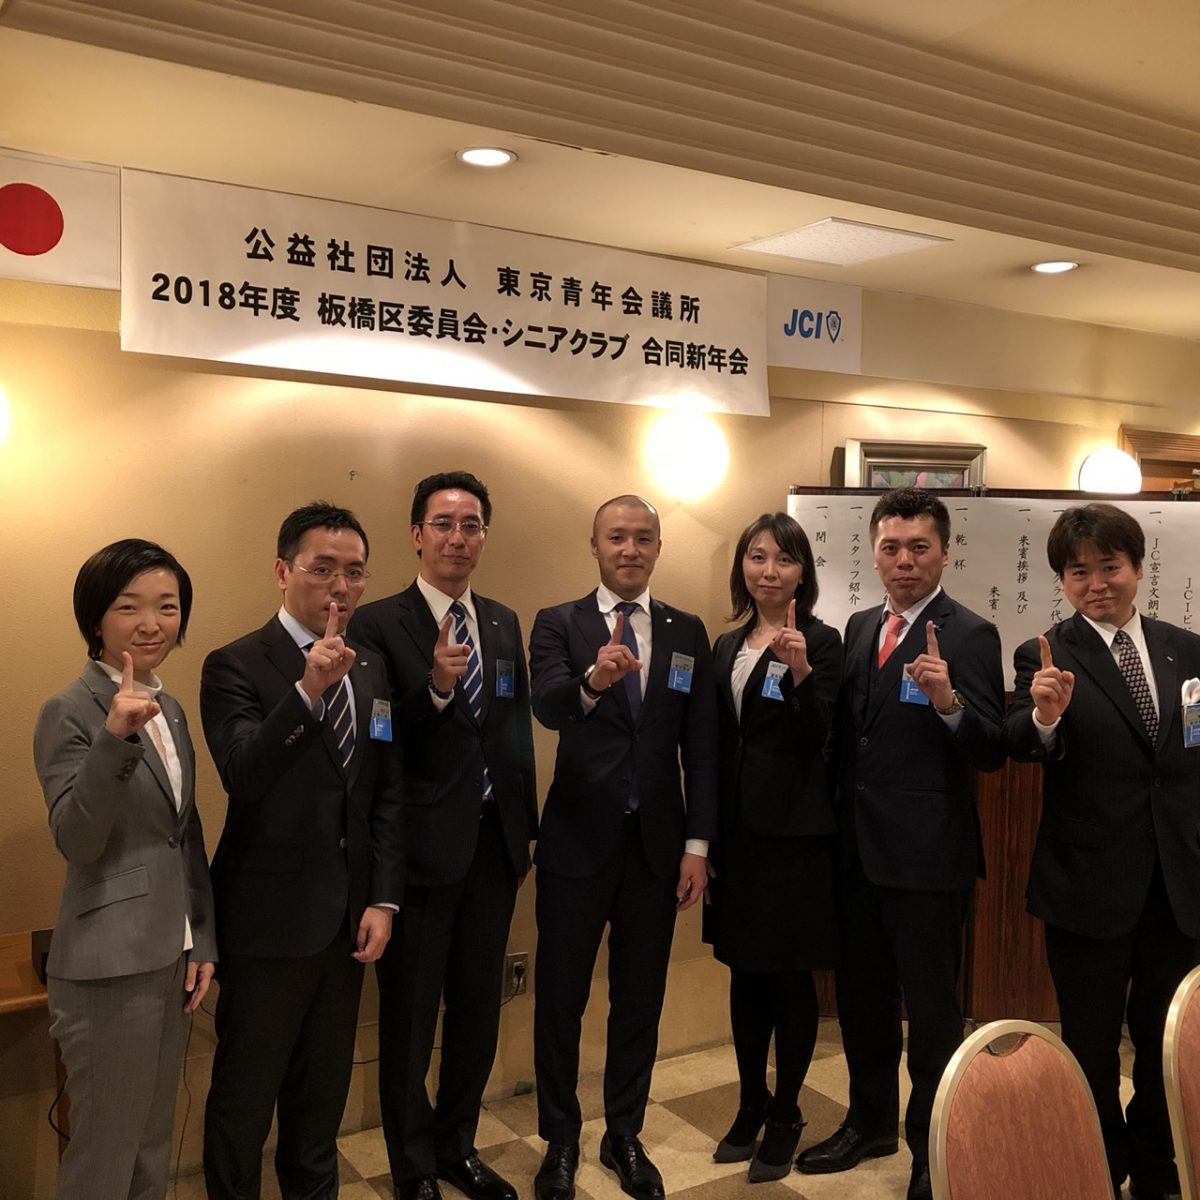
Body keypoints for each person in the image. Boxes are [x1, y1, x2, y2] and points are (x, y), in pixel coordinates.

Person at [796, 487, 1005, 1200]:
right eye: (892, 547)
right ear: (875, 554)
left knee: (933, 1011)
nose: (905, 560)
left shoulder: (970, 634)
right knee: (863, 1001)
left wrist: (949, 703)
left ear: (944, 552)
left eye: (919, 547)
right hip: (857, 853)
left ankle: (930, 1146)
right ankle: (869, 1123)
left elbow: (990, 751)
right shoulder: (859, 626)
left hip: (927, 858)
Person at [200, 501, 404, 1200]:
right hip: (266, 923)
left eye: (355, 572)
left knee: (320, 1106)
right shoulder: (235, 663)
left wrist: (382, 897)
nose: (340, 587)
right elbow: (243, 774)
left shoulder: (371, 668)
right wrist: (308, 690)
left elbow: (383, 791)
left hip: (347, 924)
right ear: (283, 572)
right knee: (244, 1102)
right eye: (322, 569)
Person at [1004, 502, 1200, 1200]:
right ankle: (1097, 1165)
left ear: (1137, 568)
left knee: (1164, 1039)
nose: (1096, 584)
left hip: (1178, 885)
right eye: (1078, 572)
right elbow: (1020, 742)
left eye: (1108, 567)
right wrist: (1043, 717)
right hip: (1087, 885)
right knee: (1089, 1044)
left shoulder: (1187, 650)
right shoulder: (1046, 653)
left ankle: (1156, 1165)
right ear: (1062, 581)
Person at [351, 471, 538, 1200]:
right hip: (420, 851)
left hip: (493, 846)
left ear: (483, 536)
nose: (458, 538)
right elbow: (377, 739)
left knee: (476, 1011)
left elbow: (513, 731)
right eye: (444, 524)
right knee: (409, 1017)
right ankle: (414, 1168)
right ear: (416, 534)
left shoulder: (501, 620)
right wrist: (432, 688)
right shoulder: (377, 623)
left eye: (472, 525)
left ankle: (459, 1147)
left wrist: (523, 830)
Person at [527, 494, 718, 1200]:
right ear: (595, 545)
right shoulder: (559, 622)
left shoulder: (686, 630)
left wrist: (697, 845)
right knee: (560, 999)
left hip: (656, 849)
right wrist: (592, 682)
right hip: (576, 845)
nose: (630, 549)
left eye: (643, 538)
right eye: (617, 537)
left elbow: (701, 745)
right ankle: (560, 1139)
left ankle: (624, 1134)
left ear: (658, 546)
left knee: (640, 998)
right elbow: (547, 704)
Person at [34, 538, 216, 1200]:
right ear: (95, 618)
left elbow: (183, 836)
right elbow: (77, 840)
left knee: (150, 1144)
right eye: (128, 606)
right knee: (104, 1156)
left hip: (170, 956)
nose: (151, 623)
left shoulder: (171, 708)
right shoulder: (69, 710)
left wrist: (202, 940)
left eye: (167, 606)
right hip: (107, 969)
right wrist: (113, 738)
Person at [704, 513, 841, 1182]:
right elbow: (714, 740)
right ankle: (750, 1100)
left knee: (788, 977)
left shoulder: (823, 641)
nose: (769, 570)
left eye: (784, 559)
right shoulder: (725, 644)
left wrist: (801, 674)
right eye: (757, 556)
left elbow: (822, 739)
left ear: (802, 572)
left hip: (794, 838)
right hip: (736, 838)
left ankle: (786, 1112)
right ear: (743, 566)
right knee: (744, 973)